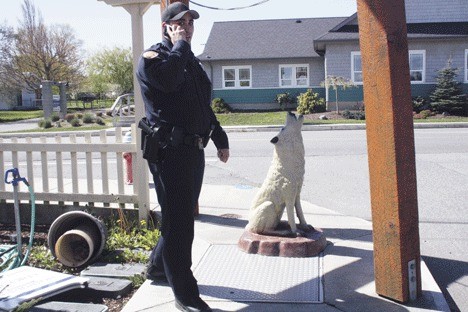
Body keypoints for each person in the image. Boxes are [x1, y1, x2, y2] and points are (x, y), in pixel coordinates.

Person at [136, 2, 229, 312]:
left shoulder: (189, 61)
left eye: (190, 22)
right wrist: (179, 46)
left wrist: (218, 136)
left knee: (180, 216)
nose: (187, 26)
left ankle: (159, 268)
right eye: (180, 22)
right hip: (169, 153)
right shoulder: (153, 60)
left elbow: (201, 104)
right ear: (167, 27)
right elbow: (169, 81)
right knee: (180, 225)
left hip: (194, 151)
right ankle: (185, 295)